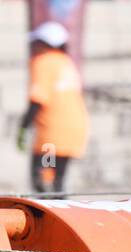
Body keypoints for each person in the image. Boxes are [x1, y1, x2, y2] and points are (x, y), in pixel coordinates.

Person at [19, 22, 89, 198]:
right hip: (75, 130)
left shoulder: (43, 62)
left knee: (44, 181)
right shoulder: (65, 62)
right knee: (57, 182)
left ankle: (48, 220)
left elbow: (38, 99)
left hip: (52, 136)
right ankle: (62, 212)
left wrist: (23, 127)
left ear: (45, 43)